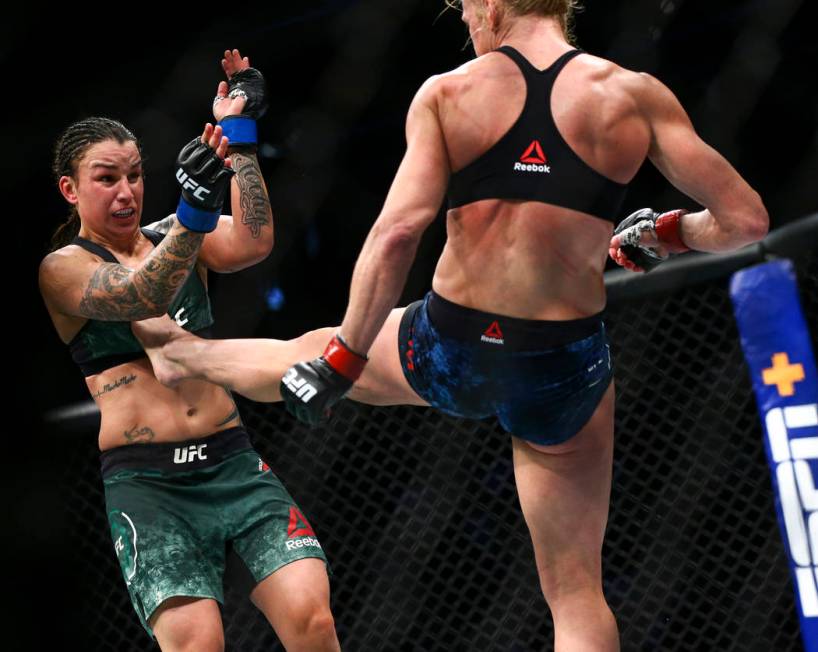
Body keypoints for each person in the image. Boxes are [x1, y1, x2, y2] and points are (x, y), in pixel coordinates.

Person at [132, 5, 769, 650]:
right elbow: (745, 222)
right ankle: (187, 356)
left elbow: (399, 231)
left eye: (465, 8)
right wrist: (668, 232)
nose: (466, 22)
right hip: (558, 364)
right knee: (575, 590)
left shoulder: (451, 92)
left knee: (302, 349)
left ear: (491, 5)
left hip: (451, 346)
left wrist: (342, 361)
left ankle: (181, 355)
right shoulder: (631, 95)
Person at [39, 50, 340, 652]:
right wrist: (194, 209)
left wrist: (242, 143)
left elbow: (254, 241)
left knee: (314, 622)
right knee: (198, 647)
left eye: (134, 175)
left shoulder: (172, 233)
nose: (126, 193)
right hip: (150, 490)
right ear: (70, 189)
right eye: (106, 178)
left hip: (233, 462)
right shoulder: (63, 270)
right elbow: (142, 290)